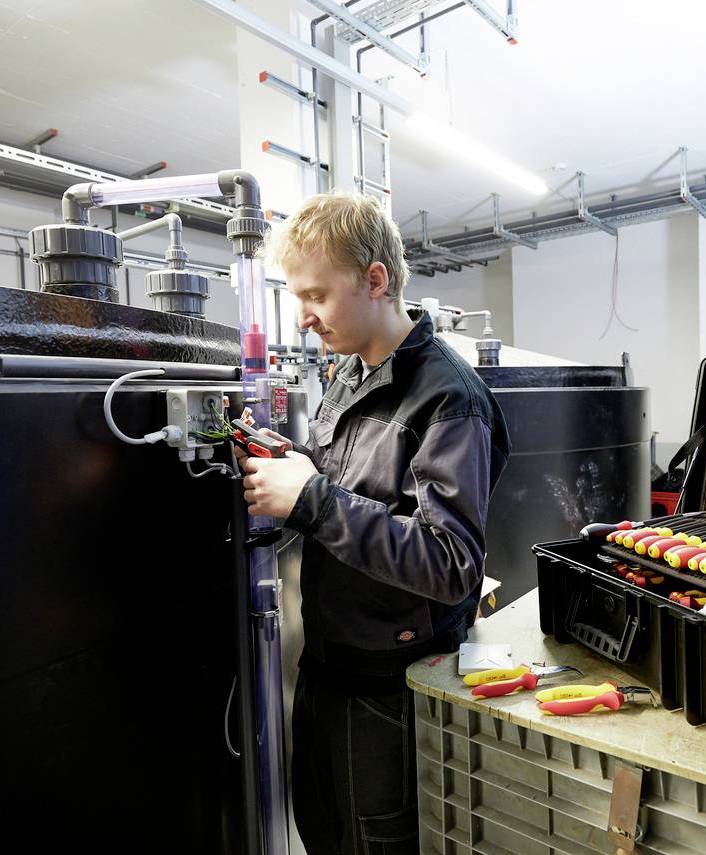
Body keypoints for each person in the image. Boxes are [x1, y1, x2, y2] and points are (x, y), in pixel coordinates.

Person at [235, 192, 510, 854]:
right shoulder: (348, 374)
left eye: (316, 295)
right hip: (328, 672)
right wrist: (296, 467)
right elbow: (349, 487)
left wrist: (311, 498)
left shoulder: (449, 397)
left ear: (375, 280)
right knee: (322, 832)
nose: (303, 318)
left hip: (391, 691)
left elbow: (450, 564)